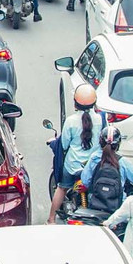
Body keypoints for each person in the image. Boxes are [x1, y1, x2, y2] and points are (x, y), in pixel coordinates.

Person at [48, 85, 105, 222]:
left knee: (61, 188)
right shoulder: (101, 118)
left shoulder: (71, 121)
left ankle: (51, 219)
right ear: (94, 102)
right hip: (93, 166)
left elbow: (64, 144)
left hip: (73, 166)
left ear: (75, 103)